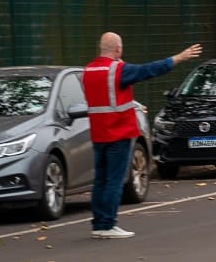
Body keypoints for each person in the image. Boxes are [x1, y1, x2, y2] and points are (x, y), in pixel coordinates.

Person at [83, 32, 201, 239]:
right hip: (118, 133)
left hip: (98, 134)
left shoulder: (89, 70)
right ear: (118, 49)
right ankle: (108, 225)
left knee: (100, 180)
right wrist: (179, 57)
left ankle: (98, 223)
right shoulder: (118, 70)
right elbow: (148, 70)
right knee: (114, 181)